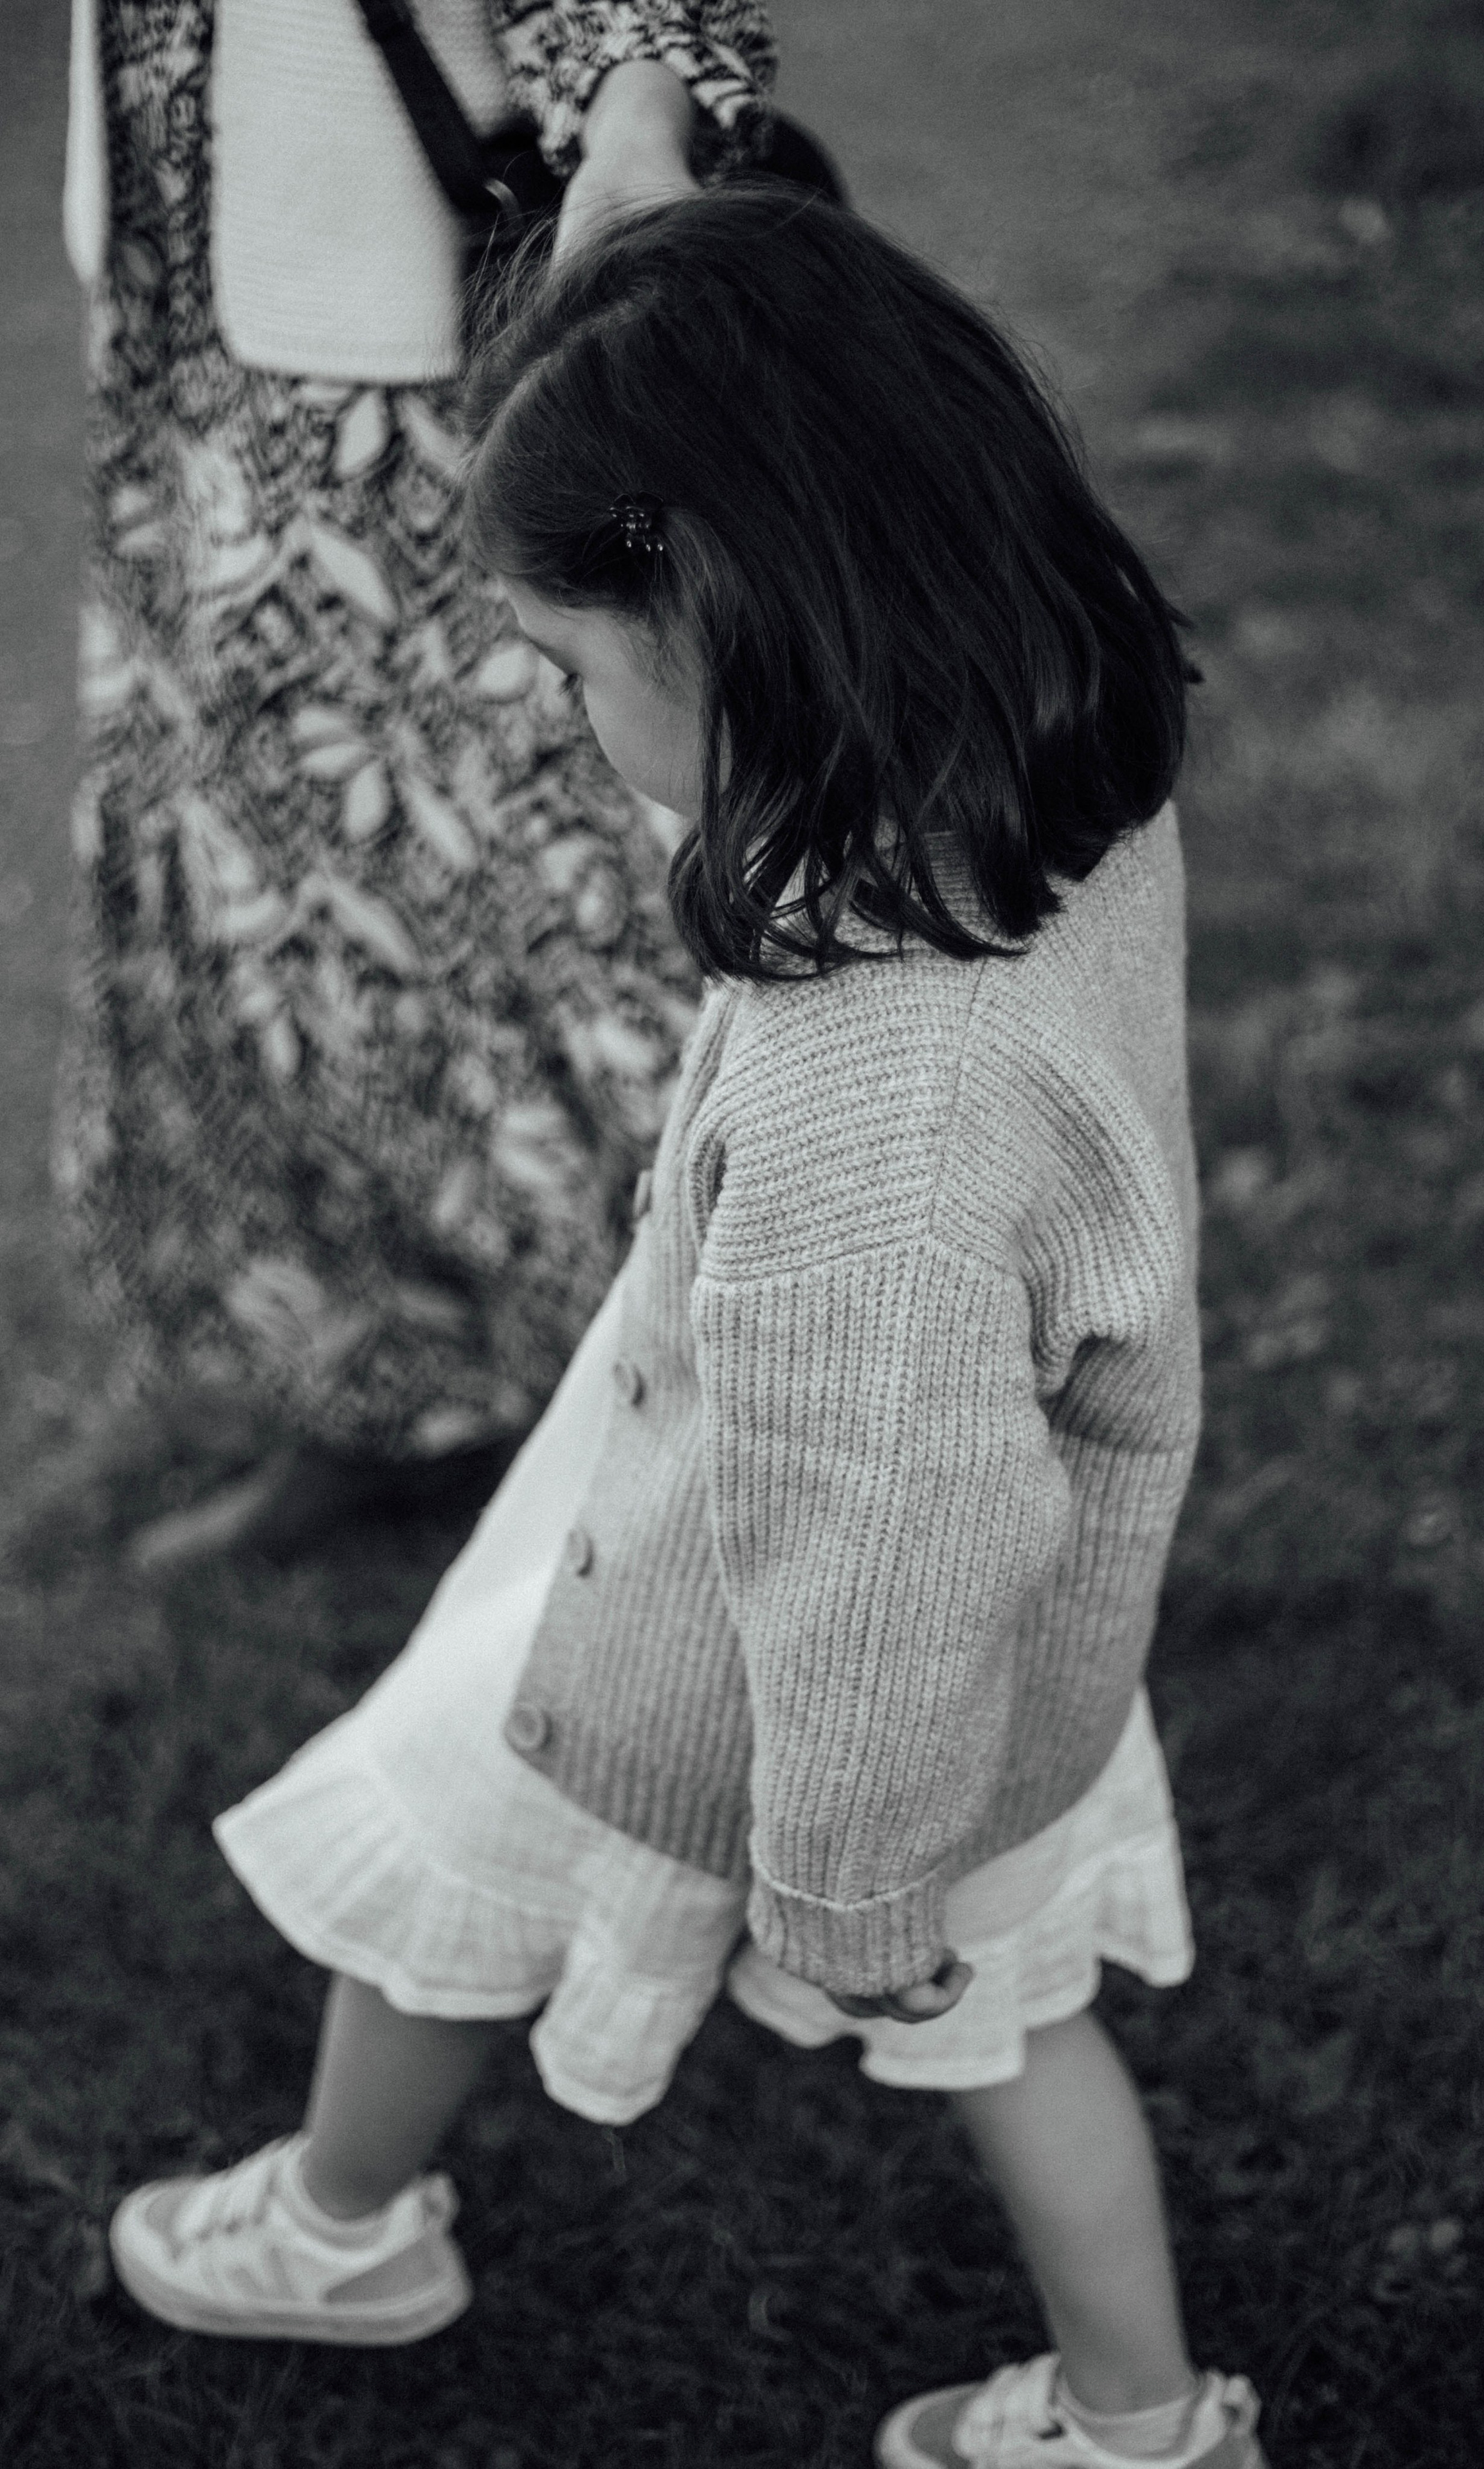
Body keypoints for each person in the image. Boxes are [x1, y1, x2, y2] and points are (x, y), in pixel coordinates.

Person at [107, 190, 1268, 2469]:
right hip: (1013, 1624)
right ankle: (1144, 2424)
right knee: (1014, 2017)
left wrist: (844, 1883)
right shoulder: (1046, 772)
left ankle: (344, 2235)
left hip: (758, 1645)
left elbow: (880, 1517)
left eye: (565, 665)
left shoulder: (883, 1110)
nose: (561, 717)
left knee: (454, 1816)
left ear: (738, 616)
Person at [55, 0, 774, 1569]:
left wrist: (641, 127)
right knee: (279, 893)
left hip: (424, 344)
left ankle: (745, 1408)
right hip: (192, 323)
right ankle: (398, 1397)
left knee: (544, 886)